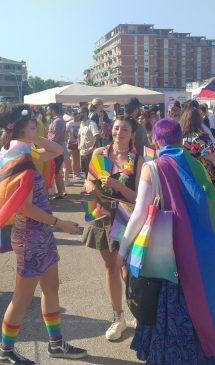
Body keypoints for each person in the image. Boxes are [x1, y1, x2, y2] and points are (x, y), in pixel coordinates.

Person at [118, 118, 215, 365]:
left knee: (166, 307)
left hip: (166, 252)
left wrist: (122, 249)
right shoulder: (195, 164)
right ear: (180, 140)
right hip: (198, 249)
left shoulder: (151, 167)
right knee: (197, 305)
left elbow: (140, 213)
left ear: (155, 140)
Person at [0, 104, 87, 364]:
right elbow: (24, 206)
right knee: (21, 298)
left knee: (51, 287)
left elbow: (57, 150)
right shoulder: (20, 158)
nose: (38, 127)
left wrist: (33, 136)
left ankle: (56, 344)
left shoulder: (20, 150)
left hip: (40, 234)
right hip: (31, 235)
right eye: (33, 125)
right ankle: (5, 352)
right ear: (19, 127)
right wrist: (60, 222)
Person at [83, 115, 143, 341]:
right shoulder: (100, 154)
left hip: (128, 218)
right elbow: (88, 180)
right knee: (110, 267)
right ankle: (118, 318)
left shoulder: (138, 161)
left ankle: (138, 312)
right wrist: (89, 186)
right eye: (116, 128)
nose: (119, 133)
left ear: (132, 134)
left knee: (129, 269)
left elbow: (139, 197)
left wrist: (118, 185)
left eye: (124, 130)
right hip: (102, 216)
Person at [180, 107, 215, 200]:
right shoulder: (199, 138)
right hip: (202, 179)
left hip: (185, 178)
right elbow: (213, 155)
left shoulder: (179, 138)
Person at [47, 103, 67, 199]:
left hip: (56, 149)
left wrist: (47, 143)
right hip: (57, 148)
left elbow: (55, 136)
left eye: (48, 110)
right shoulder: (57, 120)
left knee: (56, 171)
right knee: (57, 171)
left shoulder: (57, 121)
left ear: (52, 110)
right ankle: (62, 191)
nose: (47, 112)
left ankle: (61, 192)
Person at [78, 107, 100, 180]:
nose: (78, 115)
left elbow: (97, 136)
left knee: (91, 171)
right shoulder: (81, 123)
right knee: (84, 171)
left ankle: (92, 188)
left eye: (79, 113)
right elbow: (79, 135)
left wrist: (93, 147)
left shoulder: (92, 124)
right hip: (82, 152)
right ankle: (86, 187)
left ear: (85, 113)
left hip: (89, 152)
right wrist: (79, 144)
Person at [66, 111, 82, 180]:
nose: (77, 117)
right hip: (72, 143)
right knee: (74, 159)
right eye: (76, 116)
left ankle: (77, 173)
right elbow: (66, 134)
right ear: (73, 116)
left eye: (78, 116)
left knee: (78, 159)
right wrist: (66, 142)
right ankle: (74, 173)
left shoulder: (81, 123)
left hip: (79, 143)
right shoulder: (69, 124)